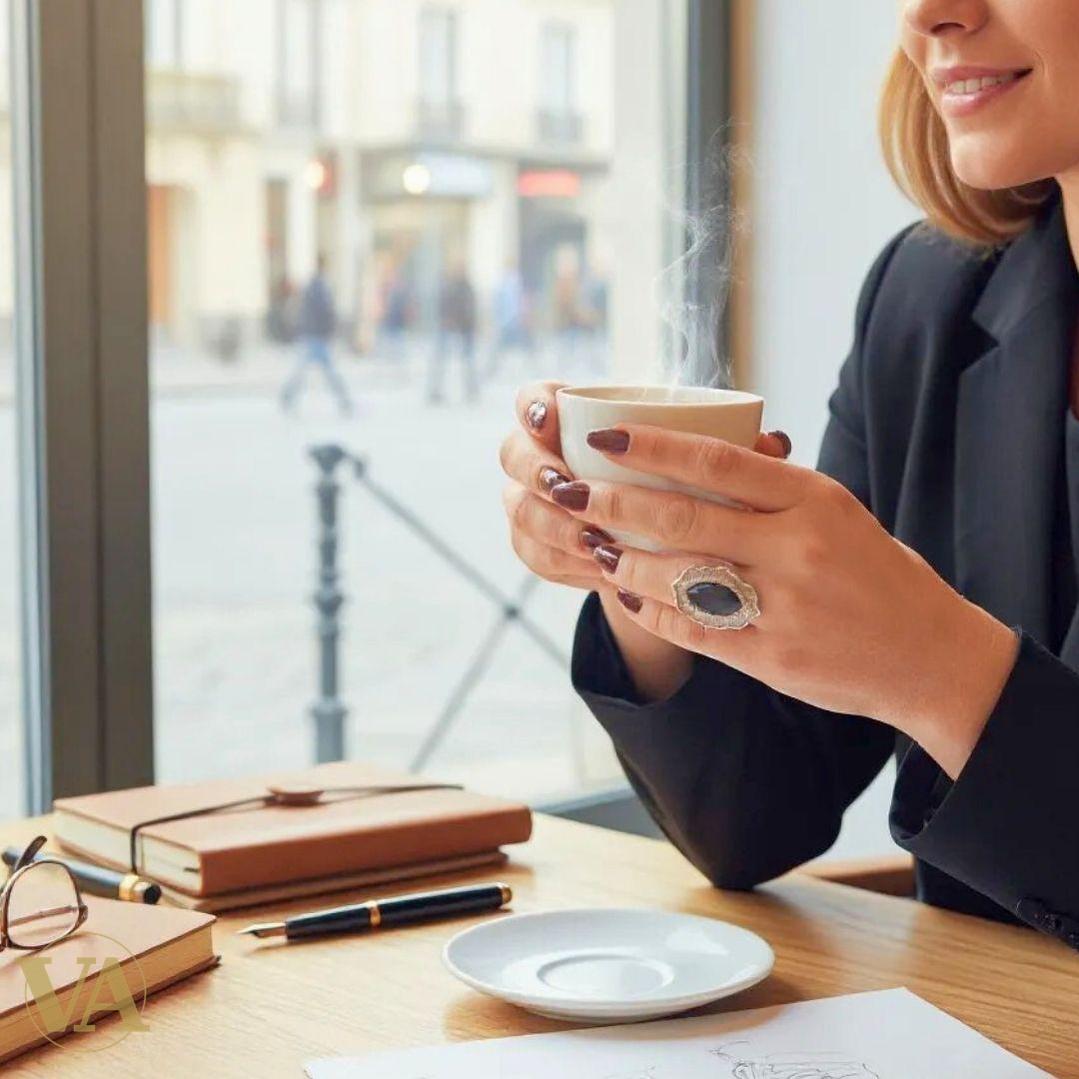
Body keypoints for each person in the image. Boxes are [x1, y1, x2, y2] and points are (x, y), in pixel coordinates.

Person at [499, 0, 1079, 949]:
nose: (929, 14)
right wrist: (639, 565)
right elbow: (757, 815)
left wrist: (937, 668)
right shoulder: (930, 297)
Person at [280, 256, 353, 416]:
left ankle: (288, 396)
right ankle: (344, 400)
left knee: (304, 370)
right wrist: (331, 328)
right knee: (327, 372)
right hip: (316, 337)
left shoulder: (311, 286)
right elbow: (325, 312)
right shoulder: (320, 288)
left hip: (311, 335)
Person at [429, 259, 479, 405]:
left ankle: (471, 388)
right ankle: (435, 389)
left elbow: (470, 307)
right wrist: (447, 319)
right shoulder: (450, 286)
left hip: (464, 327)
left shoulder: (466, 287)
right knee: (441, 359)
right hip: (449, 326)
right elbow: (444, 305)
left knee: (467, 361)